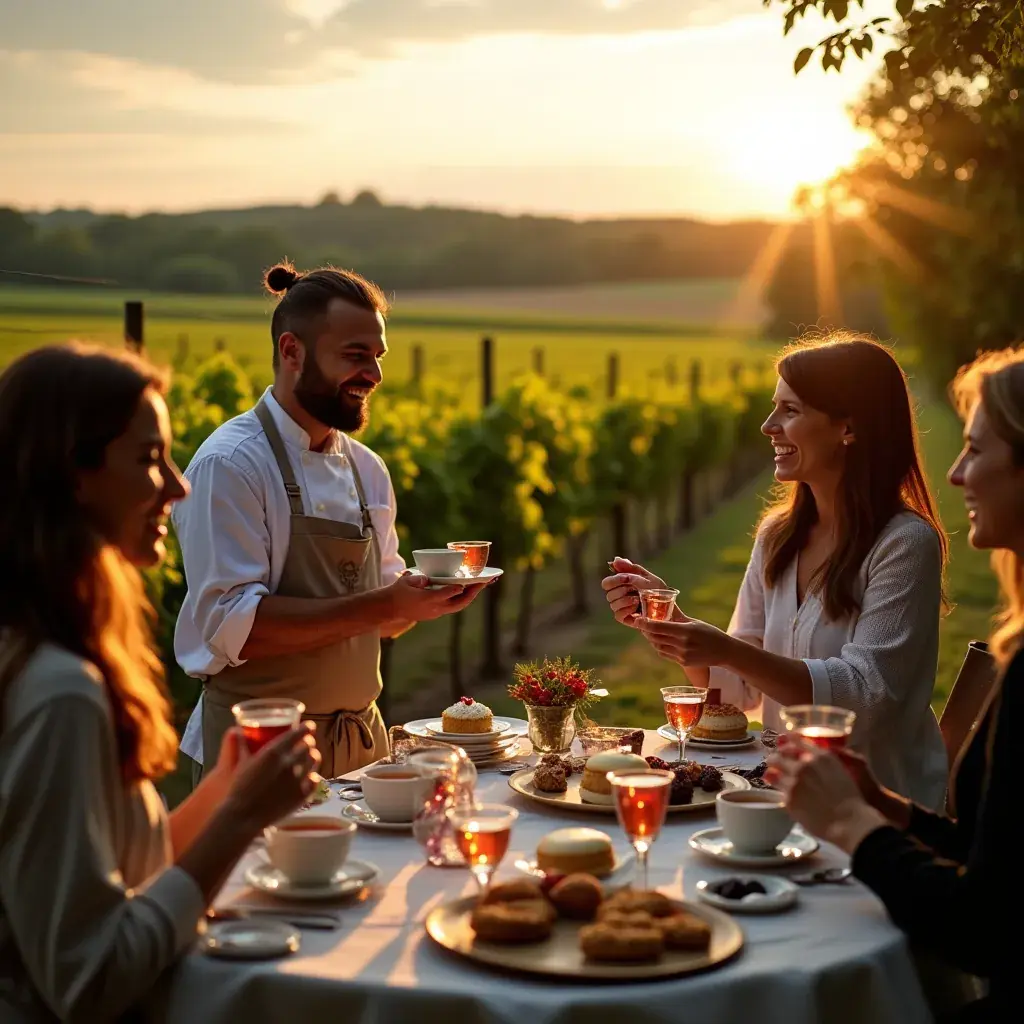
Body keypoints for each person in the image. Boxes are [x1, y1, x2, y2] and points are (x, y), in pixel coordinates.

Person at [0, 344, 321, 1023]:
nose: (179, 487)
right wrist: (236, 824)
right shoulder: (60, 692)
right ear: (74, 472)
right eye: (151, 458)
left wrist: (221, 793)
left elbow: (120, 884)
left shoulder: (49, 650)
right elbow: (88, 980)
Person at [767, 348, 1024, 1024]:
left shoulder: (903, 542)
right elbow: (992, 862)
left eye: (976, 450)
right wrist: (885, 805)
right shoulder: (780, 538)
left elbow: (983, 925)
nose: (954, 472)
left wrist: (855, 823)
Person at [603, 334, 949, 807]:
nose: (768, 426)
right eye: (774, 408)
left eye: (790, 410)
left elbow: (867, 697)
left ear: (847, 426)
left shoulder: (904, 544)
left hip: (872, 809)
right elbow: (739, 689)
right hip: (780, 791)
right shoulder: (776, 538)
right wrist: (674, 624)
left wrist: (724, 649)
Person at [175, 263, 487, 780]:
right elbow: (234, 630)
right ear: (291, 351)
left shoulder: (367, 469)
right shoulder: (231, 465)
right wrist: (387, 602)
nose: (375, 375)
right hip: (256, 757)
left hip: (361, 749)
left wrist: (421, 599)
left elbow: (383, 618)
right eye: (355, 356)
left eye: (378, 357)